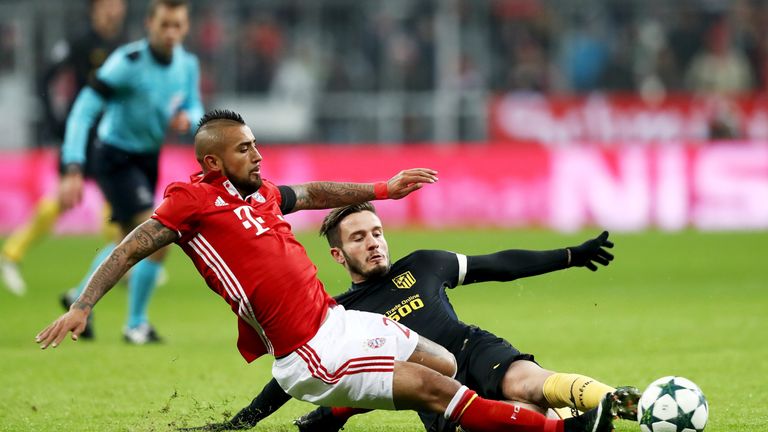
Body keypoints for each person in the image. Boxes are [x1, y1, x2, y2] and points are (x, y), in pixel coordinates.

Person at [37, 109, 620, 432]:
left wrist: (381, 189)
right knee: (434, 387)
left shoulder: (260, 192)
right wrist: (85, 305)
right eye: (244, 149)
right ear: (213, 160)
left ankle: (491, 423)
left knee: (445, 365)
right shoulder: (189, 202)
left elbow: (313, 189)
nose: (257, 155)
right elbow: (132, 245)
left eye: (256, 144)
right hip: (308, 348)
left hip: (338, 324)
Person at [186, 202, 640, 432]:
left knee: (528, 381)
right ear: (338, 255)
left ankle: (625, 404)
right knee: (522, 413)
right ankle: (579, 417)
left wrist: (567, 255)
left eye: (378, 232)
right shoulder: (338, 313)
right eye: (359, 237)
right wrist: (246, 419)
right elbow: (302, 374)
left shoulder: (423, 264)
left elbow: (496, 264)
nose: (374, 243)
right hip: (434, 392)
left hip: (469, 348)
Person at [57, 0, 204, 344]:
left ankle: (78, 296)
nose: (171, 33)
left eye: (178, 26)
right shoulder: (126, 63)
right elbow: (82, 111)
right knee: (156, 235)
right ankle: (135, 324)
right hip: (114, 156)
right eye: (164, 25)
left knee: (126, 241)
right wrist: (73, 165)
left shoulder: (188, 64)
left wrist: (188, 116)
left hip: (147, 158)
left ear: (186, 27)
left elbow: (193, 103)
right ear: (149, 24)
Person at [0, 0, 127, 296]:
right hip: (81, 131)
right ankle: (11, 254)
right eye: (109, 4)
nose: (115, 9)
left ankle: (121, 265)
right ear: (95, 8)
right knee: (64, 197)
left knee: (113, 201)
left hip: (108, 134)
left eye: (119, 4)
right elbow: (46, 76)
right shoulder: (79, 41)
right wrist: (55, 122)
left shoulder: (120, 45)